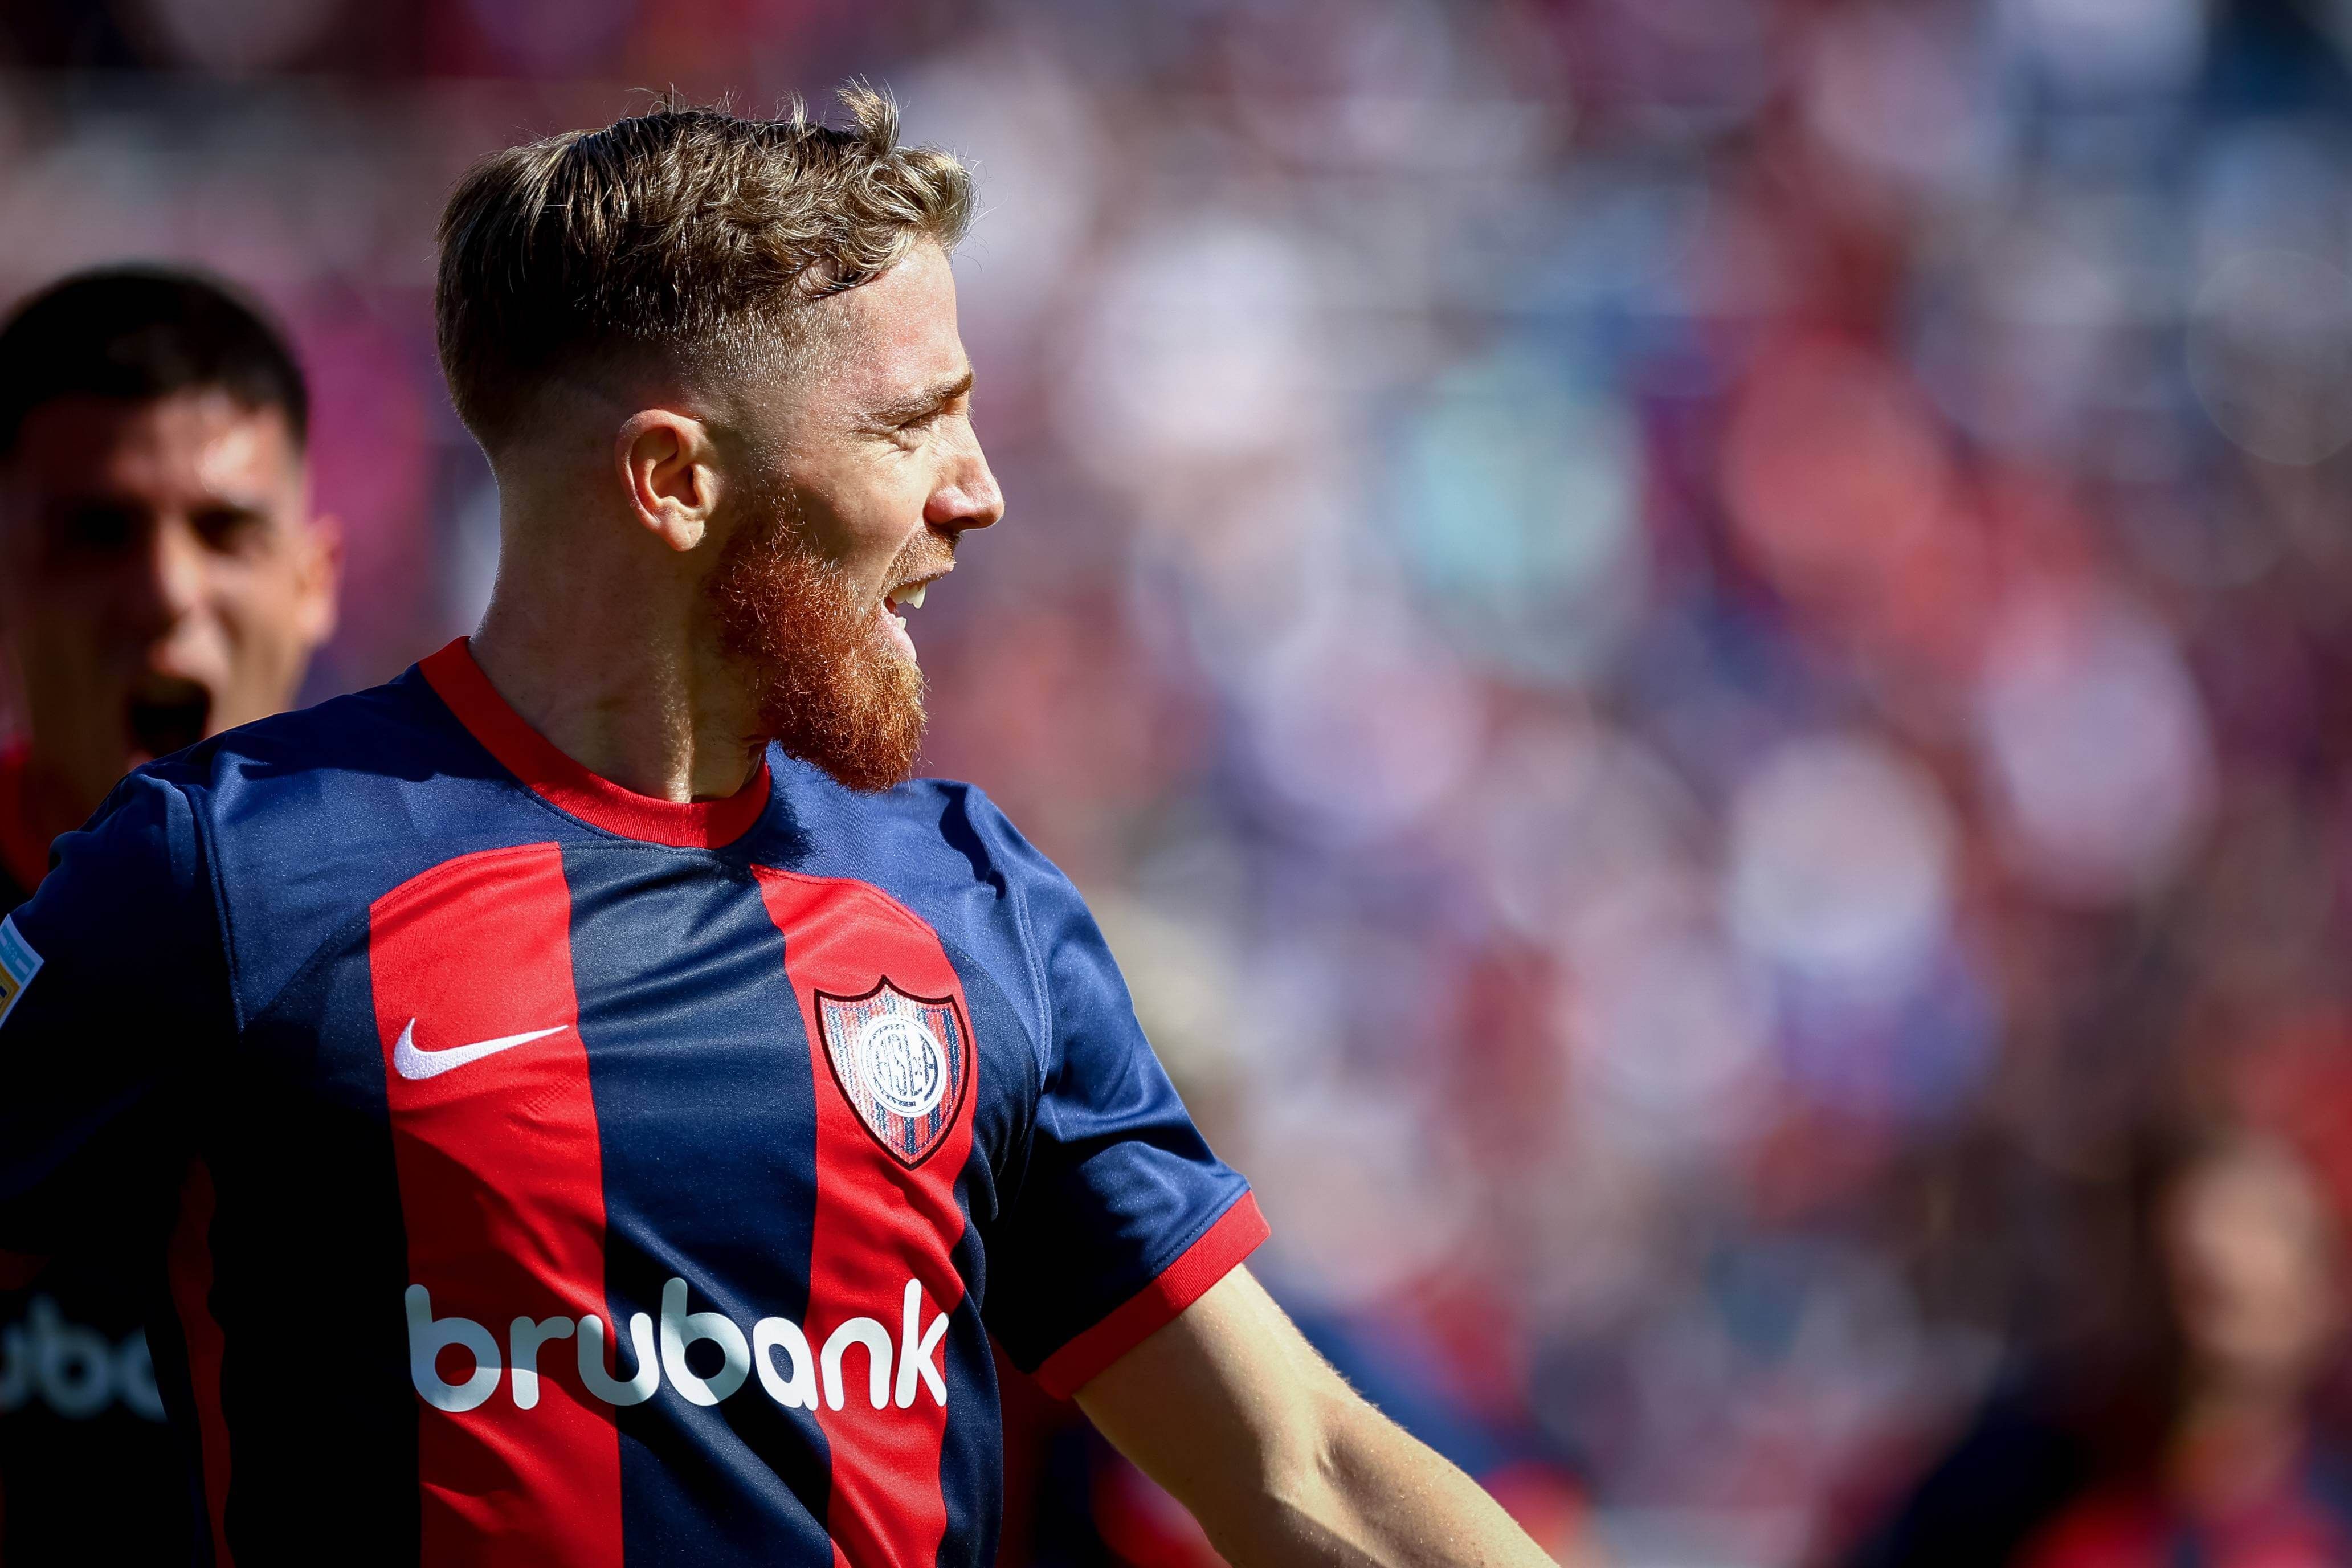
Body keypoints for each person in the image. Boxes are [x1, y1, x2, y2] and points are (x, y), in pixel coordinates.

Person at [0, 91, 1554, 1566]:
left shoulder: (972, 906)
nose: (981, 492)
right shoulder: (228, 869)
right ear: (674, 480)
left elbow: (1302, 1466)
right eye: (911, 425)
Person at [0, 268, 338, 1561]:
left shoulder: (438, 933)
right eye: (97, 531)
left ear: (315, 580)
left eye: (225, 529)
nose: (164, 592)